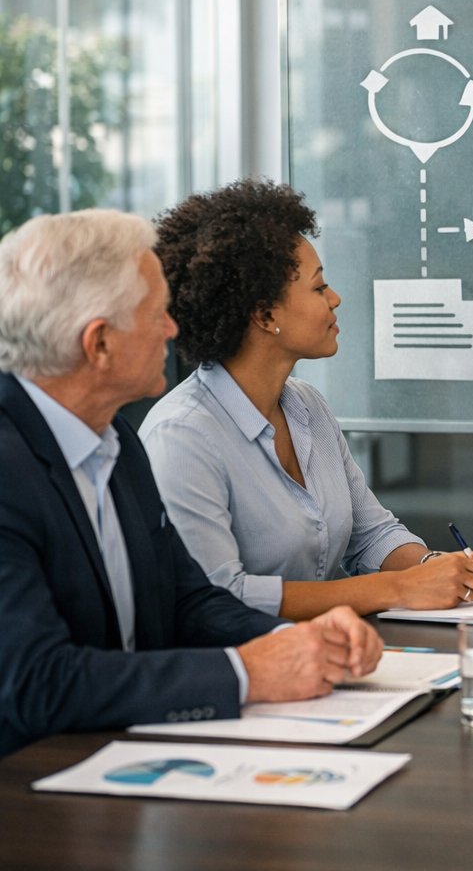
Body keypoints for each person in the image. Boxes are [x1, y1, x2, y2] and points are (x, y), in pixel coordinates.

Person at [0, 210, 382, 757]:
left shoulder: (116, 441)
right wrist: (245, 672)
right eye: (155, 314)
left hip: (128, 761)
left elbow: (188, 599)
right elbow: (38, 682)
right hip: (30, 797)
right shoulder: (10, 470)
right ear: (99, 343)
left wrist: (288, 641)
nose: (174, 329)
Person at [140, 179, 473, 620]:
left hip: (329, 656)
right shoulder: (182, 436)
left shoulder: (307, 405)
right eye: (318, 288)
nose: (335, 299)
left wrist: (437, 568)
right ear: (265, 314)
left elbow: (371, 535)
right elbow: (220, 597)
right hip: (249, 673)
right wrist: (399, 588)